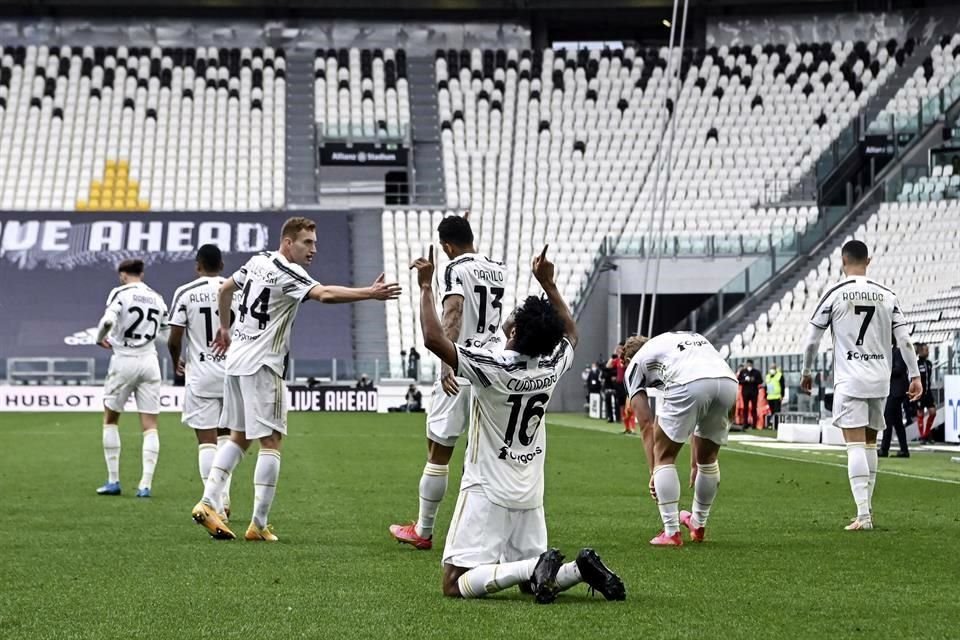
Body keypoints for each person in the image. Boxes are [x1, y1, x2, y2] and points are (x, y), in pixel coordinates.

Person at [411, 244, 625, 603]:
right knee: (533, 584)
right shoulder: (552, 365)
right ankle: (578, 569)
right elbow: (572, 334)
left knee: (454, 583)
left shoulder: (492, 367)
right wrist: (549, 284)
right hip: (530, 492)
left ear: (513, 332)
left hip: (487, 489)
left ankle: (532, 566)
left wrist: (425, 286)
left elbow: (435, 339)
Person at [191, 217, 401, 541]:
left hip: (235, 363)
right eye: (307, 243)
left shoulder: (257, 261)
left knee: (238, 437)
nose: (313, 249)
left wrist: (224, 328)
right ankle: (258, 525)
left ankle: (208, 502)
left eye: (315, 243)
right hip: (263, 364)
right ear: (288, 243)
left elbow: (224, 289)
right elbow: (326, 294)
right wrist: (370, 293)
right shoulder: (289, 271)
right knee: (271, 442)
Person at [389, 215, 507, 551]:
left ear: (446, 246)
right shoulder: (497, 267)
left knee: (438, 452)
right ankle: (493, 533)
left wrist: (447, 362)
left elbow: (453, 312)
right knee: (488, 454)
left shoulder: (453, 268)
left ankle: (423, 531)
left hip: (463, 365)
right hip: (494, 368)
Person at [801, 240, 921, 531]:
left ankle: (863, 516)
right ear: (869, 260)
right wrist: (915, 376)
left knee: (854, 445)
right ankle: (867, 511)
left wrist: (806, 371)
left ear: (843, 261)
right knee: (870, 443)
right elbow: (904, 340)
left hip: (850, 379)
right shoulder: (887, 295)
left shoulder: (835, 294)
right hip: (880, 380)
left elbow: (812, 340)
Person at [623, 332, 738, 546]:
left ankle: (671, 532)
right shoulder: (669, 346)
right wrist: (695, 463)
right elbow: (696, 415)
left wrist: (655, 471)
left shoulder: (634, 365)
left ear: (627, 360)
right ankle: (698, 522)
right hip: (729, 382)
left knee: (664, 457)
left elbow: (646, 424)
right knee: (708, 460)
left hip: (689, 382)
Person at [168, 244, 235, 514]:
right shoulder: (236, 290)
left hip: (202, 375)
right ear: (221, 266)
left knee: (206, 442)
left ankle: (216, 507)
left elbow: (174, 338)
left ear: (197, 266)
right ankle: (225, 499)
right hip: (233, 374)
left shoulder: (185, 292)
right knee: (227, 440)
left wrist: (176, 362)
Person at [94, 258, 169, 497]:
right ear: (142, 274)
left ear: (123, 275)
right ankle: (145, 485)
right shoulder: (157, 297)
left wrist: (99, 337)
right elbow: (166, 334)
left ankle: (113, 480)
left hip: (124, 359)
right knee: (150, 425)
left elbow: (108, 321)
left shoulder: (120, 293)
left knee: (111, 418)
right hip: (150, 361)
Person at [880, 341, 910, 458]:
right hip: (893, 390)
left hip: (896, 391)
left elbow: (899, 369)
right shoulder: (891, 352)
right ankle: (904, 450)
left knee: (887, 419)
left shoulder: (898, 352)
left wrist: (884, 371)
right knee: (897, 422)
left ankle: (884, 449)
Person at [915, 343, 937, 444]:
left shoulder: (929, 363)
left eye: (928, 350)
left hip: (928, 392)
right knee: (920, 414)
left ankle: (926, 433)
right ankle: (922, 436)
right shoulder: (916, 364)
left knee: (933, 412)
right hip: (919, 393)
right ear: (920, 351)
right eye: (925, 350)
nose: (927, 352)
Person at [737, 360, 762, 428]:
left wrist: (754, 380)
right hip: (745, 392)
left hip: (754, 392)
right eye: (748, 364)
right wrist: (745, 380)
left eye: (750, 364)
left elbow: (760, 381)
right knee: (745, 408)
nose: (749, 365)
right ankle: (745, 423)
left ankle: (754, 424)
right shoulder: (743, 371)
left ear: (752, 364)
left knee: (754, 408)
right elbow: (739, 381)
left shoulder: (756, 372)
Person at [765, 363, 784, 428]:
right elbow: (766, 386)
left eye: (773, 368)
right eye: (771, 368)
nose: (772, 369)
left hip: (777, 396)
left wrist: (782, 395)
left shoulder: (779, 375)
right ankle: (771, 424)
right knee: (771, 411)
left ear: (776, 368)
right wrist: (765, 396)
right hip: (770, 397)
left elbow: (782, 386)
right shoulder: (767, 376)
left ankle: (776, 425)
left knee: (777, 412)